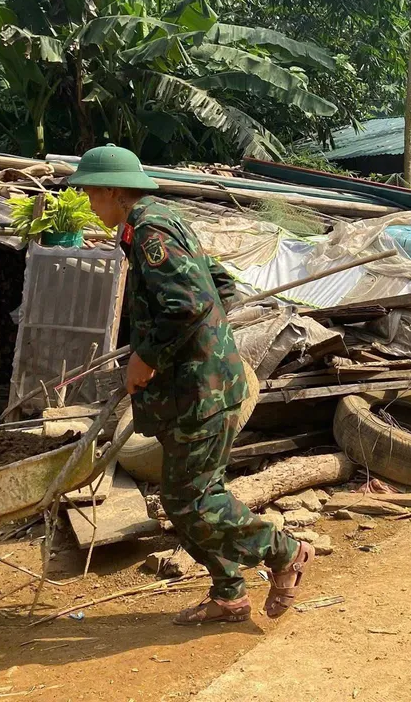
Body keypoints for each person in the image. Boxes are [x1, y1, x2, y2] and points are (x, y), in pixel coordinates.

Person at [68, 145, 313, 625]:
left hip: (203, 392)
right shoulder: (160, 221)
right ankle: (229, 595)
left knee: (192, 500)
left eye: (92, 193)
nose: (90, 205)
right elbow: (220, 284)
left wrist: (150, 355)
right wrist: (187, 352)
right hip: (194, 386)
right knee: (189, 500)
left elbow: (188, 303)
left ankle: (286, 552)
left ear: (113, 191)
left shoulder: (152, 231)